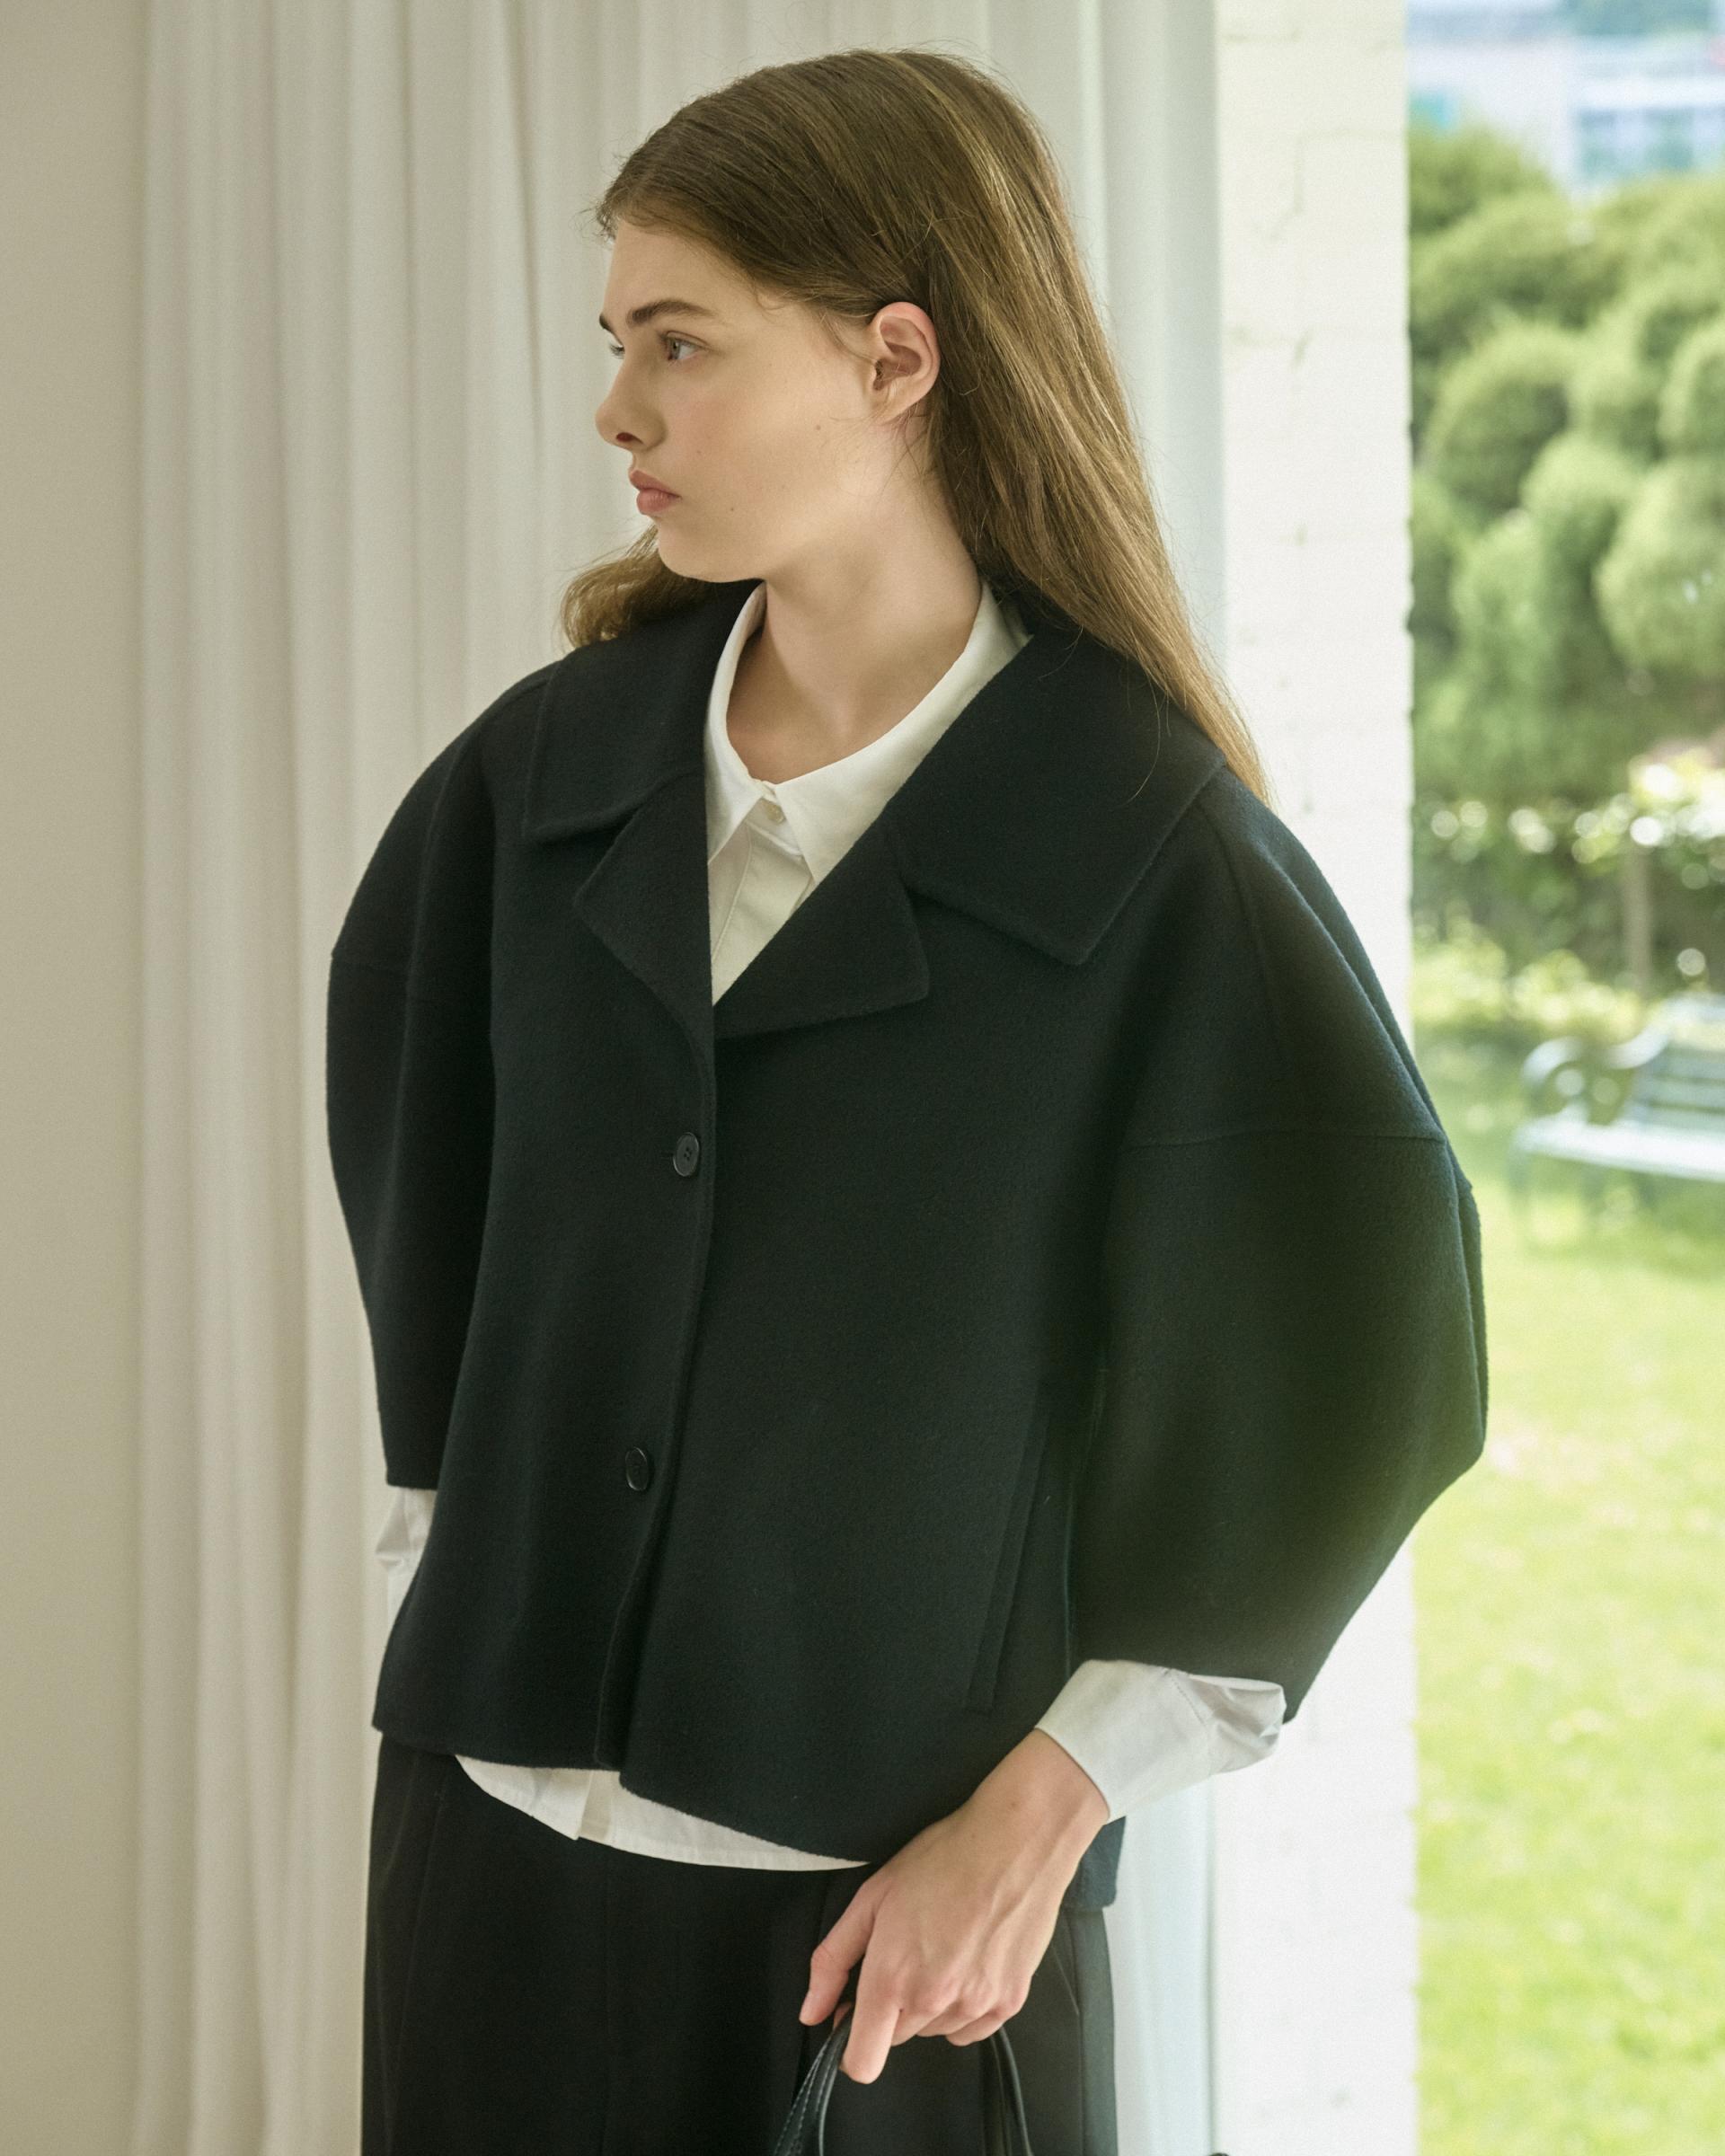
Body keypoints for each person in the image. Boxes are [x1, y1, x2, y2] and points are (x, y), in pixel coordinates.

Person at [329, 47, 1489, 2156]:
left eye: (680, 343)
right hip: (488, 1869)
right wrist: (463, 1540)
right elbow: (425, 1170)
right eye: (618, 345)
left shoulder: (1151, 855)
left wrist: (1047, 1812)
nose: (619, 411)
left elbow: (1356, 1359)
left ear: (895, 359)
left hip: (896, 1937)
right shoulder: (535, 787)